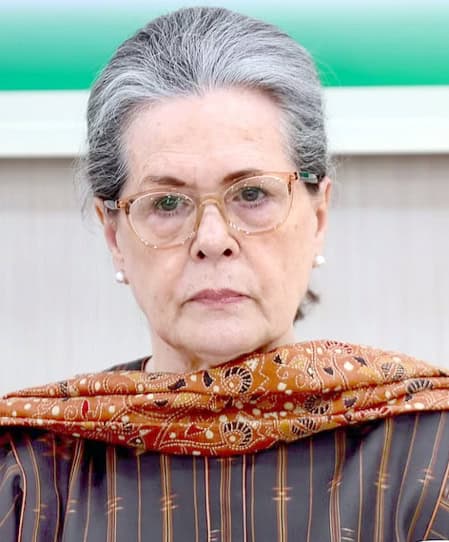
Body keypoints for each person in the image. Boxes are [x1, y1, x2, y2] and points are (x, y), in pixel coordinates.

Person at [1, 6, 449, 541]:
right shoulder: (29, 477)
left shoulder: (430, 453)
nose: (212, 239)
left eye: (252, 194)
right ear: (114, 235)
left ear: (319, 216)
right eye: (167, 202)